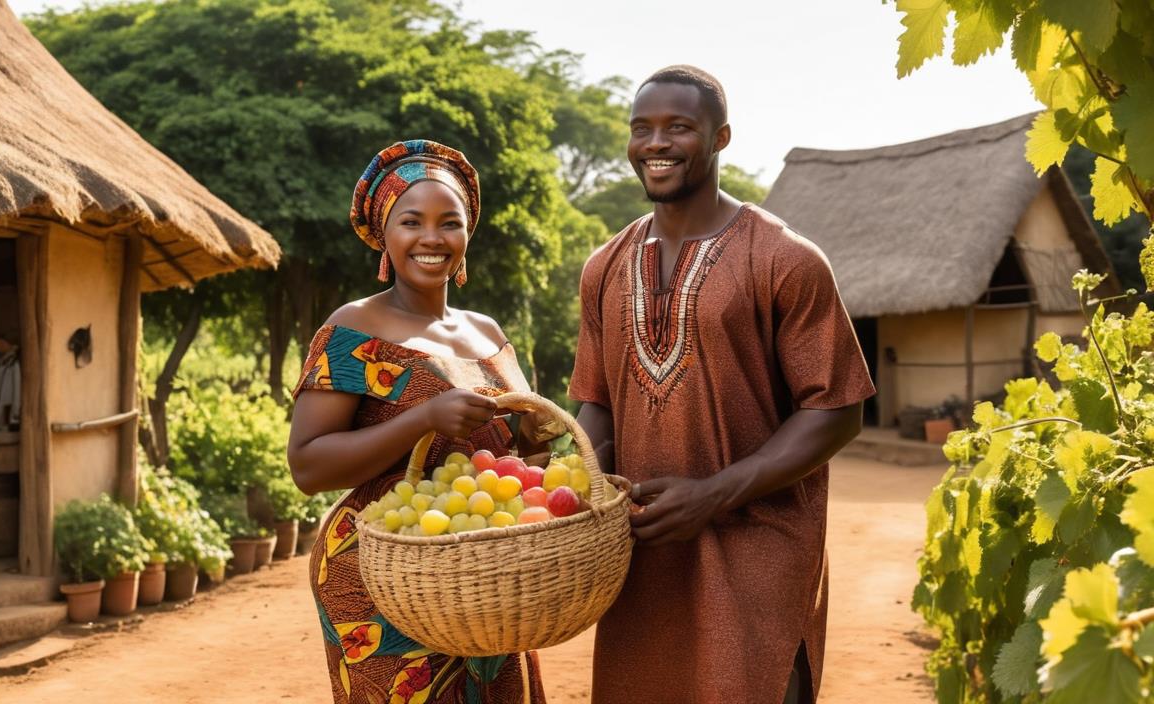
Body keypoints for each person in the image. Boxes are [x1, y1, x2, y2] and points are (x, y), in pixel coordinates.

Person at [569, 66, 875, 704]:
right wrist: (580, 499)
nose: (656, 144)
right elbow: (593, 403)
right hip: (644, 552)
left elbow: (837, 408)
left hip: (758, 548)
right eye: (642, 129)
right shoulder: (604, 268)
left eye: (679, 127)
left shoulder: (785, 259)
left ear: (720, 138)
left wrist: (712, 495)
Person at [287, 139, 553, 703]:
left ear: (467, 234)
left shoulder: (489, 333)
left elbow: (514, 461)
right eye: (412, 221)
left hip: (485, 572)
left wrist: (540, 454)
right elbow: (308, 465)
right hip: (383, 577)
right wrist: (423, 419)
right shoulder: (353, 329)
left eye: (448, 222)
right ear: (385, 234)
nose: (431, 238)